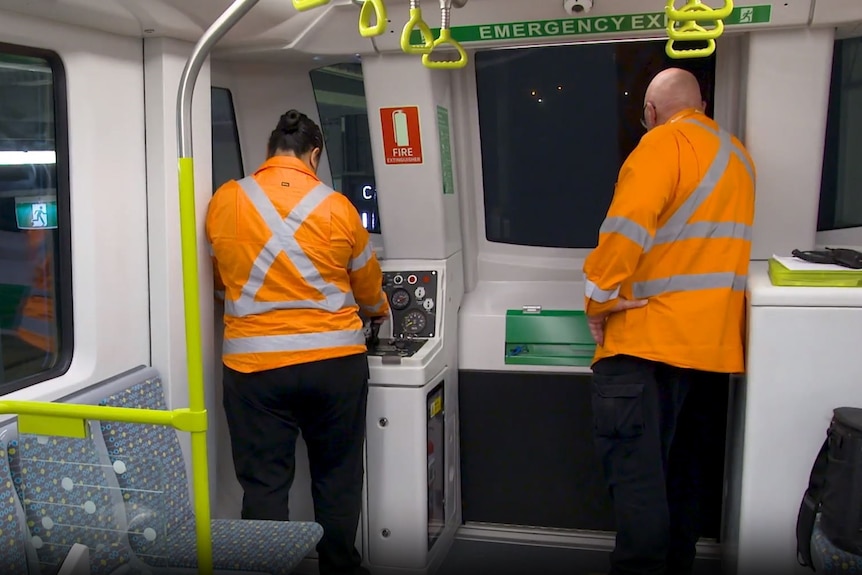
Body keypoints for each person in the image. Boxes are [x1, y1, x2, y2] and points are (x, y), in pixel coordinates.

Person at [583, 68, 756, 575]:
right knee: (684, 483)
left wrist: (597, 300)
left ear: (651, 113)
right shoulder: (738, 158)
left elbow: (624, 231)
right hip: (711, 352)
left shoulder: (661, 145)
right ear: (701, 104)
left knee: (639, 487)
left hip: (646, 346)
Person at [206, 109, 390, 575]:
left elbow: (221, 280)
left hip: (254, 372)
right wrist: (379, 312)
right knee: (337, 476)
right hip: (335, 368)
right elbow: (368, 289)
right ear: (314, 154)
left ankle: (266, 568)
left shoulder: (226, 200)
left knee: (265, 484)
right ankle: (340, 567)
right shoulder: (338, 206)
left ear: (271, 152)